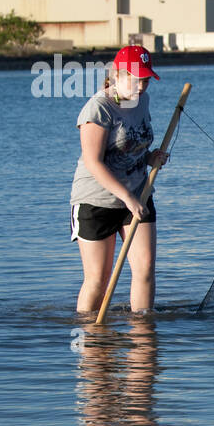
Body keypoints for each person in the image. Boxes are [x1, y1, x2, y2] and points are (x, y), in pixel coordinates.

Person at [70, 46, 169, 315]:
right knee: (98, 280)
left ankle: (143, 335)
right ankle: (90, 340)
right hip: (96, 201)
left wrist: (151, 158)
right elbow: (94, 162)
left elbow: (132, 144)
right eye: (135, 79)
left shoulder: (142, 101)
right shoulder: (98, 108)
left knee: (146, 269)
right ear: (116, 75)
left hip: (138, 193)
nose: (140, 87)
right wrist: (127, 198)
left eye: (146, 80)